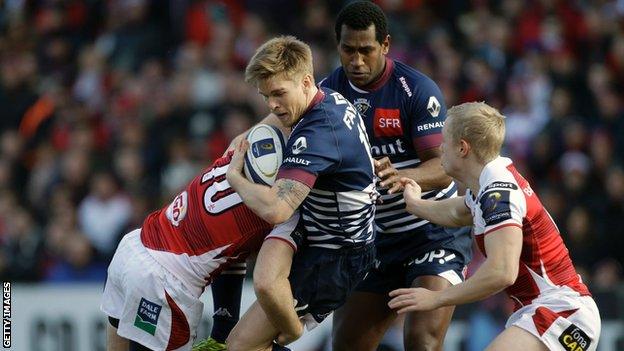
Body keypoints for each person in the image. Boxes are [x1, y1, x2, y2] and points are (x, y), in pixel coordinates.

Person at [388, 102, 601, 351]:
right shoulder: (488, 184)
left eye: (444, 140)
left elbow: (502, 271)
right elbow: (458, 212)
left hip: (561, 311)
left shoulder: (498, 192)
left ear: (462, 147)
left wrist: (436, 298)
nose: (440, 148)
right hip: (545, 311)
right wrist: (414, 204)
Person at [321, 2, 472, 350]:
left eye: (366, 50)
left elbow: (444, 165)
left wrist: (404, 176)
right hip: (374, 240)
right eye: (348, 50)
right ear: (337, 45)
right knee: (345, 345)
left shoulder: (416, 90)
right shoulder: (326, 94)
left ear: (385, 45)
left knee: (421, 340)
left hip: (432, 233)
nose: (357, 61)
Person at [224, 35, 377, 351]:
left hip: (335, 254)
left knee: (242, 344)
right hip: (312, 225)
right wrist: (247, 134)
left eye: (279, 94)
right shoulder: (324, 96)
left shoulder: (319, 133)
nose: (272, 105)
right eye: (265, 95)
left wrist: (235, 178)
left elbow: (277, 210)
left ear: (306, 82)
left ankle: (290, 333)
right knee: (261, 285)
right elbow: (276, 114)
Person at [101, 151, 300, 351]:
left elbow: (230, 254)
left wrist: (222, 331)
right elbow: (267, 280)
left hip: (133, 246)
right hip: (161, 282)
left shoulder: (236, 153)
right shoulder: (274, 216)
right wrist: (292, 329)